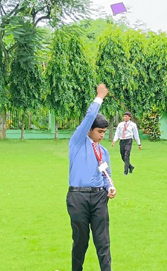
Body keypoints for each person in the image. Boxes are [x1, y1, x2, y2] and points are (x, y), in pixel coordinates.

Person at [67, 84, 116, 271]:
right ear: (89, 130)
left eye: (104, 132)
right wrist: (100, 97)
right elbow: (89, 118)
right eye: (99, 132)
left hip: (98, 198)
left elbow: (106, 175)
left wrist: (110, 187)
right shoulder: (78, 142)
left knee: (103, 241)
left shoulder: (103, 152)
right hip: (77, 197)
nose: (102, 136)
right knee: (80, 241)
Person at [112, 111, 142, 175]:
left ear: (129, 117)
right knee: (122, 156)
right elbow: (117, 133)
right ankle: (130, 167)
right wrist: (114, 140)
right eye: (124, 116)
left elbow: (136, 134)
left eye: (126, 116)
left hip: (128, 141)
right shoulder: (120, 124)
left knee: (126, 155)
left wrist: (139, 144)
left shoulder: (133, 125)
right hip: (122, 141)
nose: (125, 117)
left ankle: (125, 172)